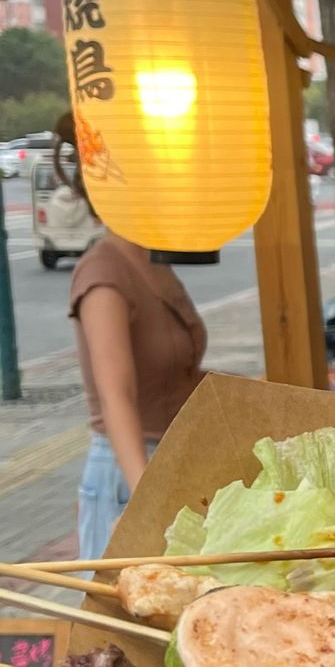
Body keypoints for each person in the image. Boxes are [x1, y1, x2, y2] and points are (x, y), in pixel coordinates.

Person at [71, 231, 206, 560]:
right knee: (123, 590)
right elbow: (115, 397)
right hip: (129, 470)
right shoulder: (103, 272)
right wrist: (145, 499)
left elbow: (178, 373)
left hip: (169, 463)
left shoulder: (153, 258)